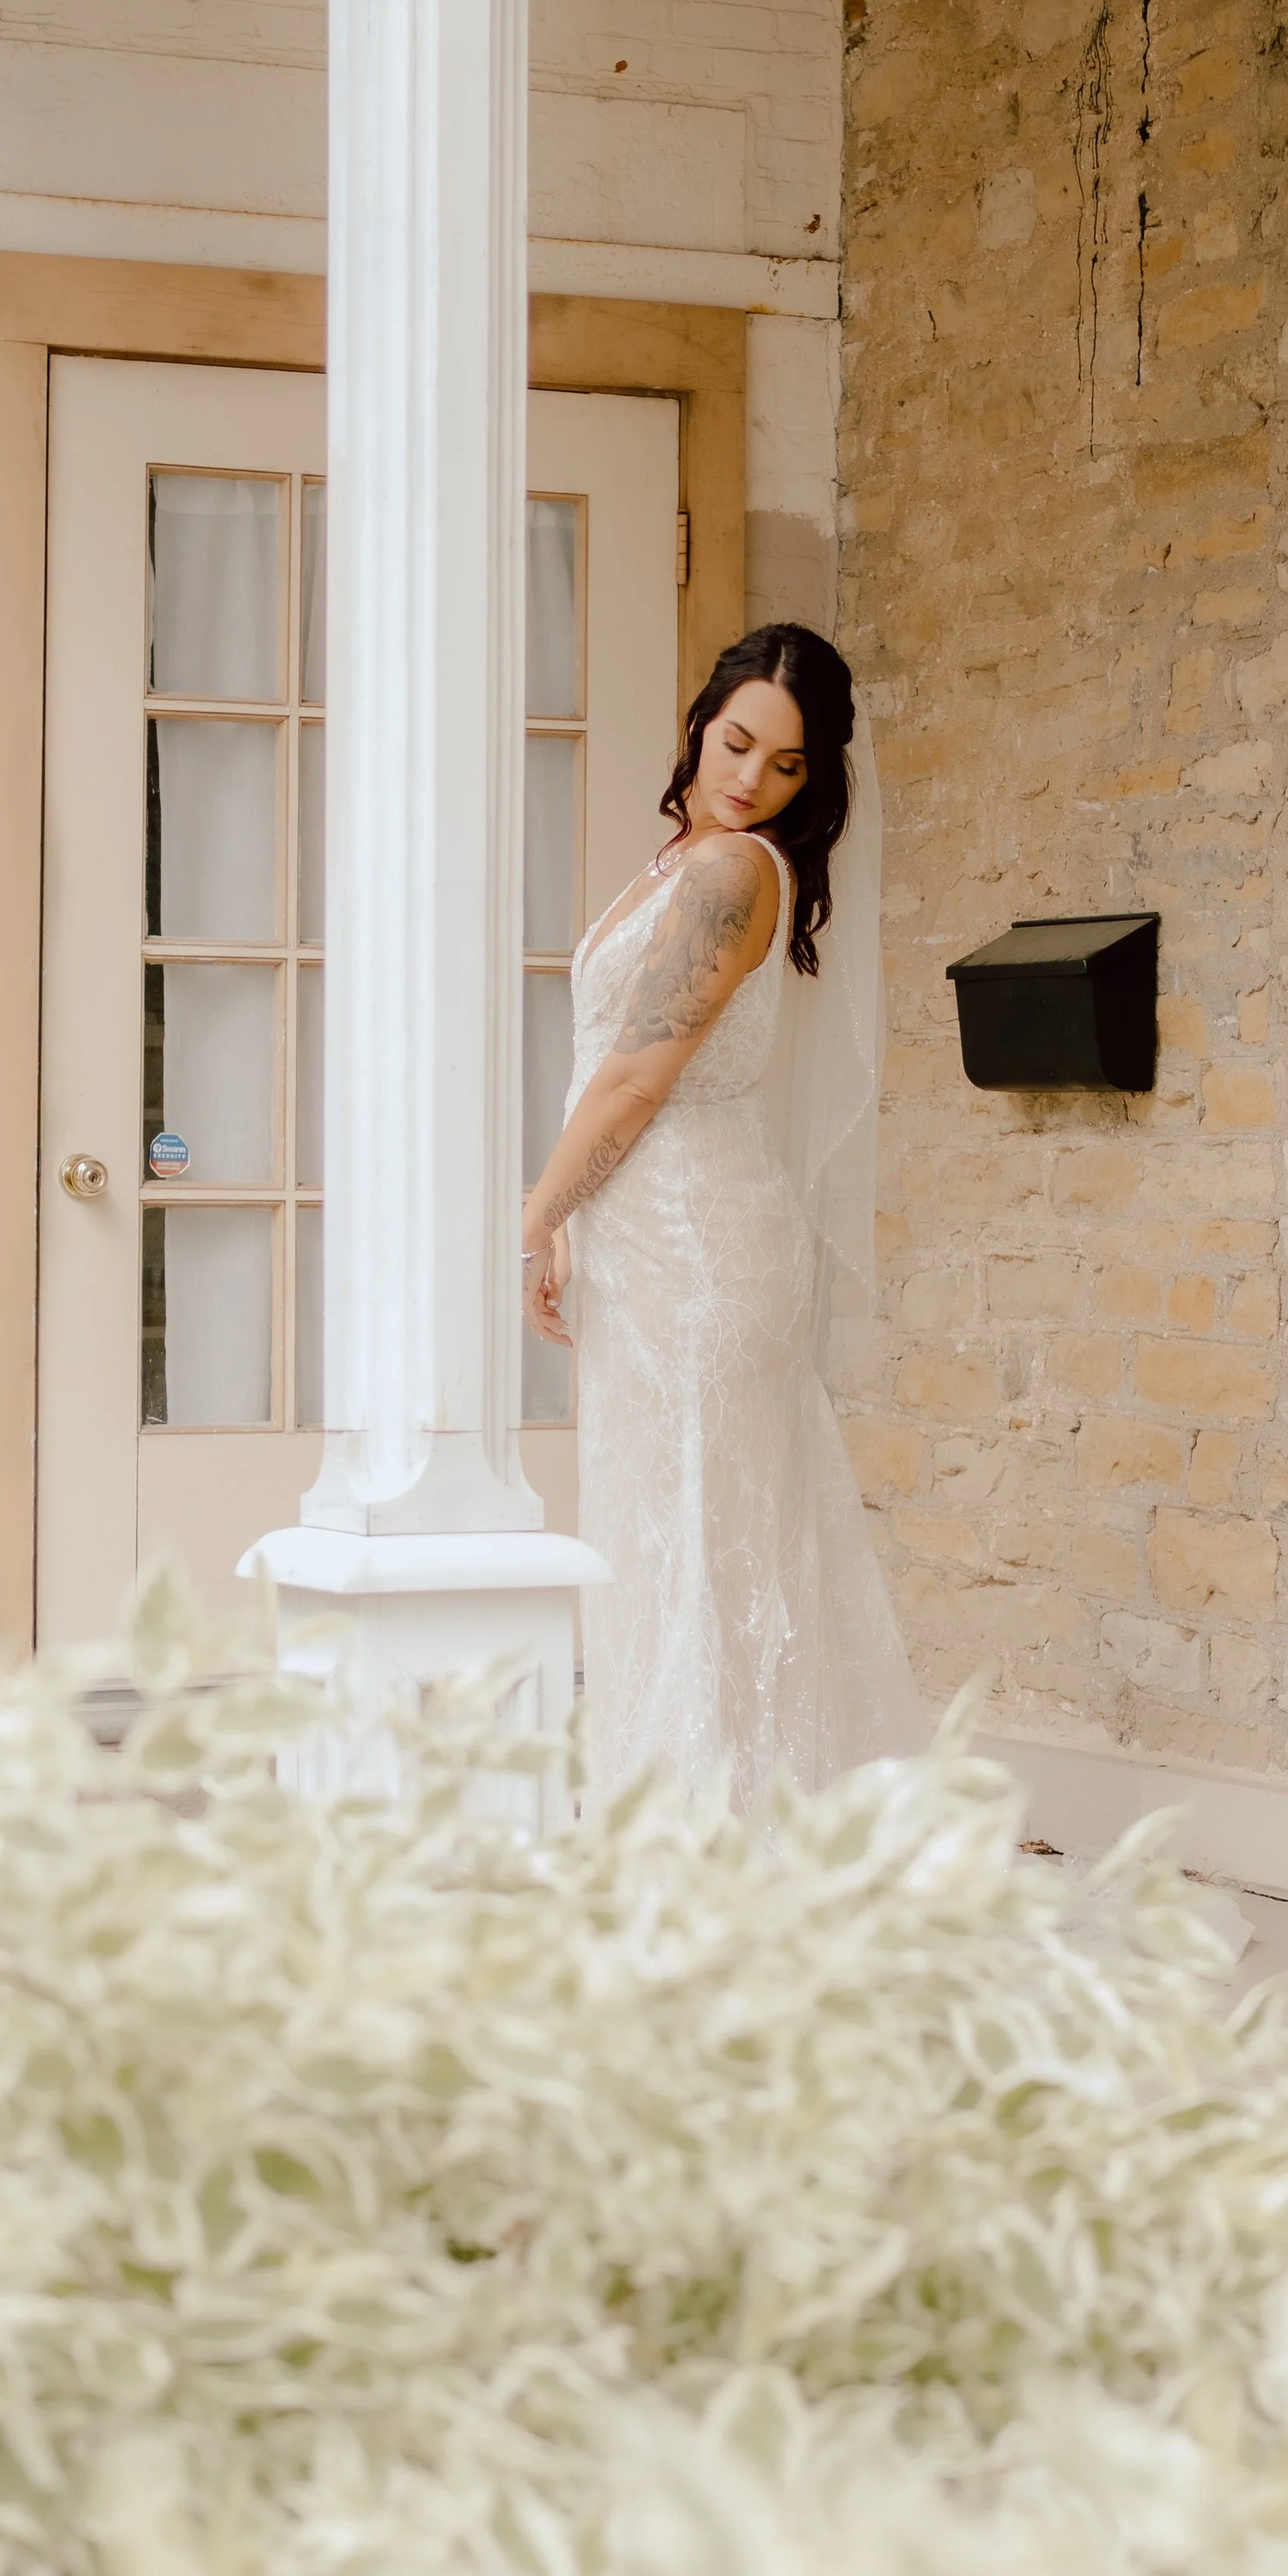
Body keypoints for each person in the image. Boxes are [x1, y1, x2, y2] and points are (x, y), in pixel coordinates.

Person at [521, 624, 925, 1806]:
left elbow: (640, 1076)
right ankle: (677, 1822)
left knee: (702, 1549)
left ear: (814, 781)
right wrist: (570, 1221)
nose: (749, 778)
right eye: (738, 741)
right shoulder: (678, 860)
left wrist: (533, 1215)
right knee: (657, 1547)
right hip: (645, 1236)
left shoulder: (735, 873)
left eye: (785, 765)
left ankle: (717, 1848)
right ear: (701, 723)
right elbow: (615, 1068)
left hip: (702, 1248)